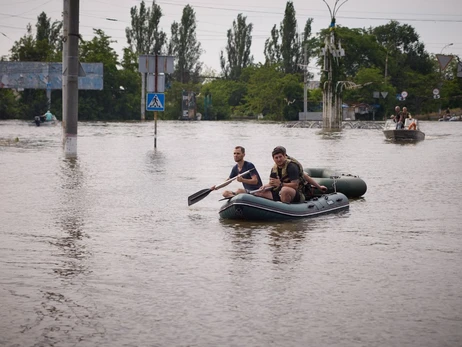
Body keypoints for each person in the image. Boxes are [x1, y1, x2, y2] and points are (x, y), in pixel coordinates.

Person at [255, 146, 327, 204]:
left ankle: (284, 210)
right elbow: (272, 183)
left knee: (285, 190)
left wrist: (319, 187)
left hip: (297, 193)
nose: (279, 159)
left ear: (285, 156)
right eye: (276, 158)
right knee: (259, 192)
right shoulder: (274, 169)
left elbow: (296, 185)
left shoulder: (292, 166)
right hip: (280, 192)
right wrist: (264, 187)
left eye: (280, 157)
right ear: (273, 159)